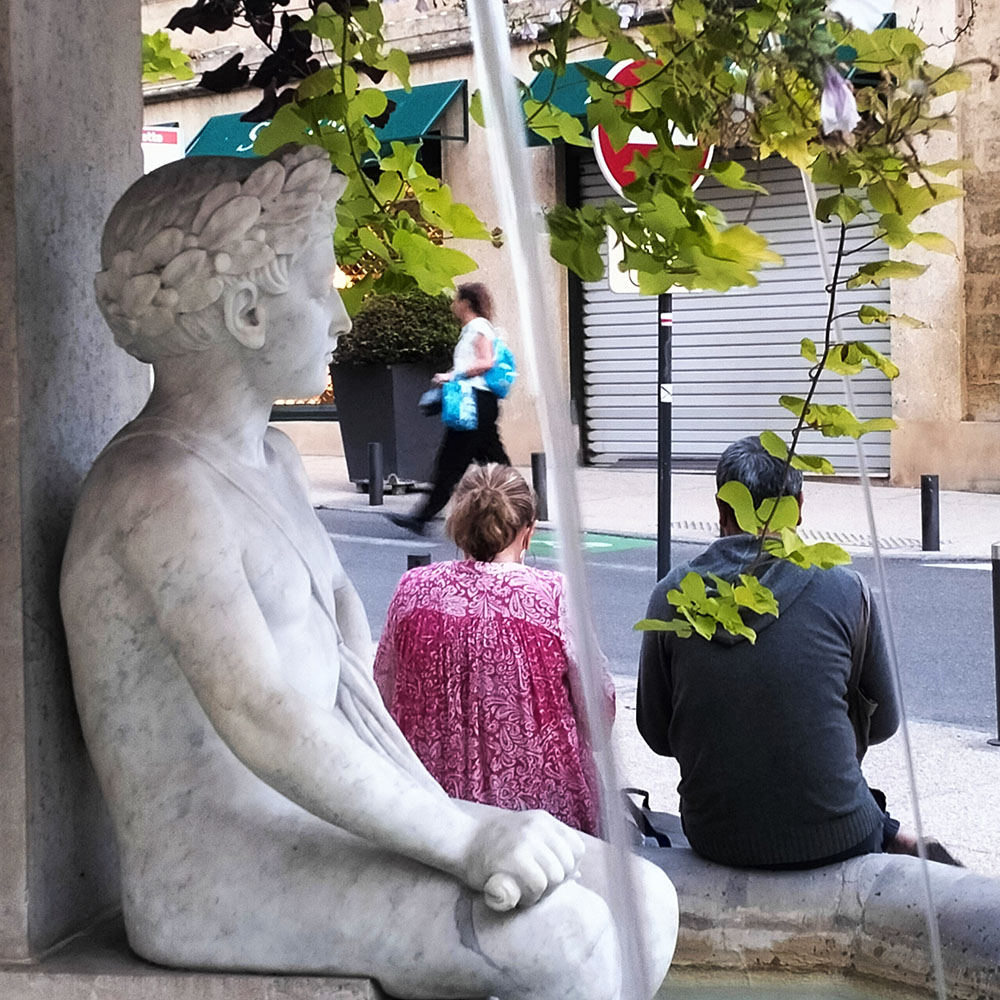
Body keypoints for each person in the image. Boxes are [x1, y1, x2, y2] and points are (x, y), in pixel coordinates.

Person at [60, 146, 678, 1000]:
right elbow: (265, 715)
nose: (344, 317)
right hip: (217, 871)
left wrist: (444, 817)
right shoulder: (158, 490)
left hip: (316, 820)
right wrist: (464, 841)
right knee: (566, 937)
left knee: (644, 897)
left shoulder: (274, 461)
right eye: (321, 287)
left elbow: (348, 678)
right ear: (246, 313)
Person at [636, 435, 960, 870]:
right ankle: (890, 832)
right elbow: (883, 723)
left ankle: (885, 827)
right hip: (838, 834)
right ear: (799, 507)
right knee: (849, 797)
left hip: (715, 835)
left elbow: (657, 734)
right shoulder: (845, 588)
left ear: (721, 509)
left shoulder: (673, 596)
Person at [375, 464, 614, 836]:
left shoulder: (412, 589)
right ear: (528, 531)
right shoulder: (554, 596)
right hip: (544, 822)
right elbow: (598, 716)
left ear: (457, 525)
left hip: (433, 815)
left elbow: (383, 694)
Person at [389, 282, 510, 535]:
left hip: (473, 403)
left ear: (466, 303)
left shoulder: (478, 327)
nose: (453, 305)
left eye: (456, 300)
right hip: (475, 403)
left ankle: (422, 517)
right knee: (492, 462)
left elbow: (486, 361)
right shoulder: (472, 329)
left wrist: (452, 375)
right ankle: (521, 504)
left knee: (452, 463)